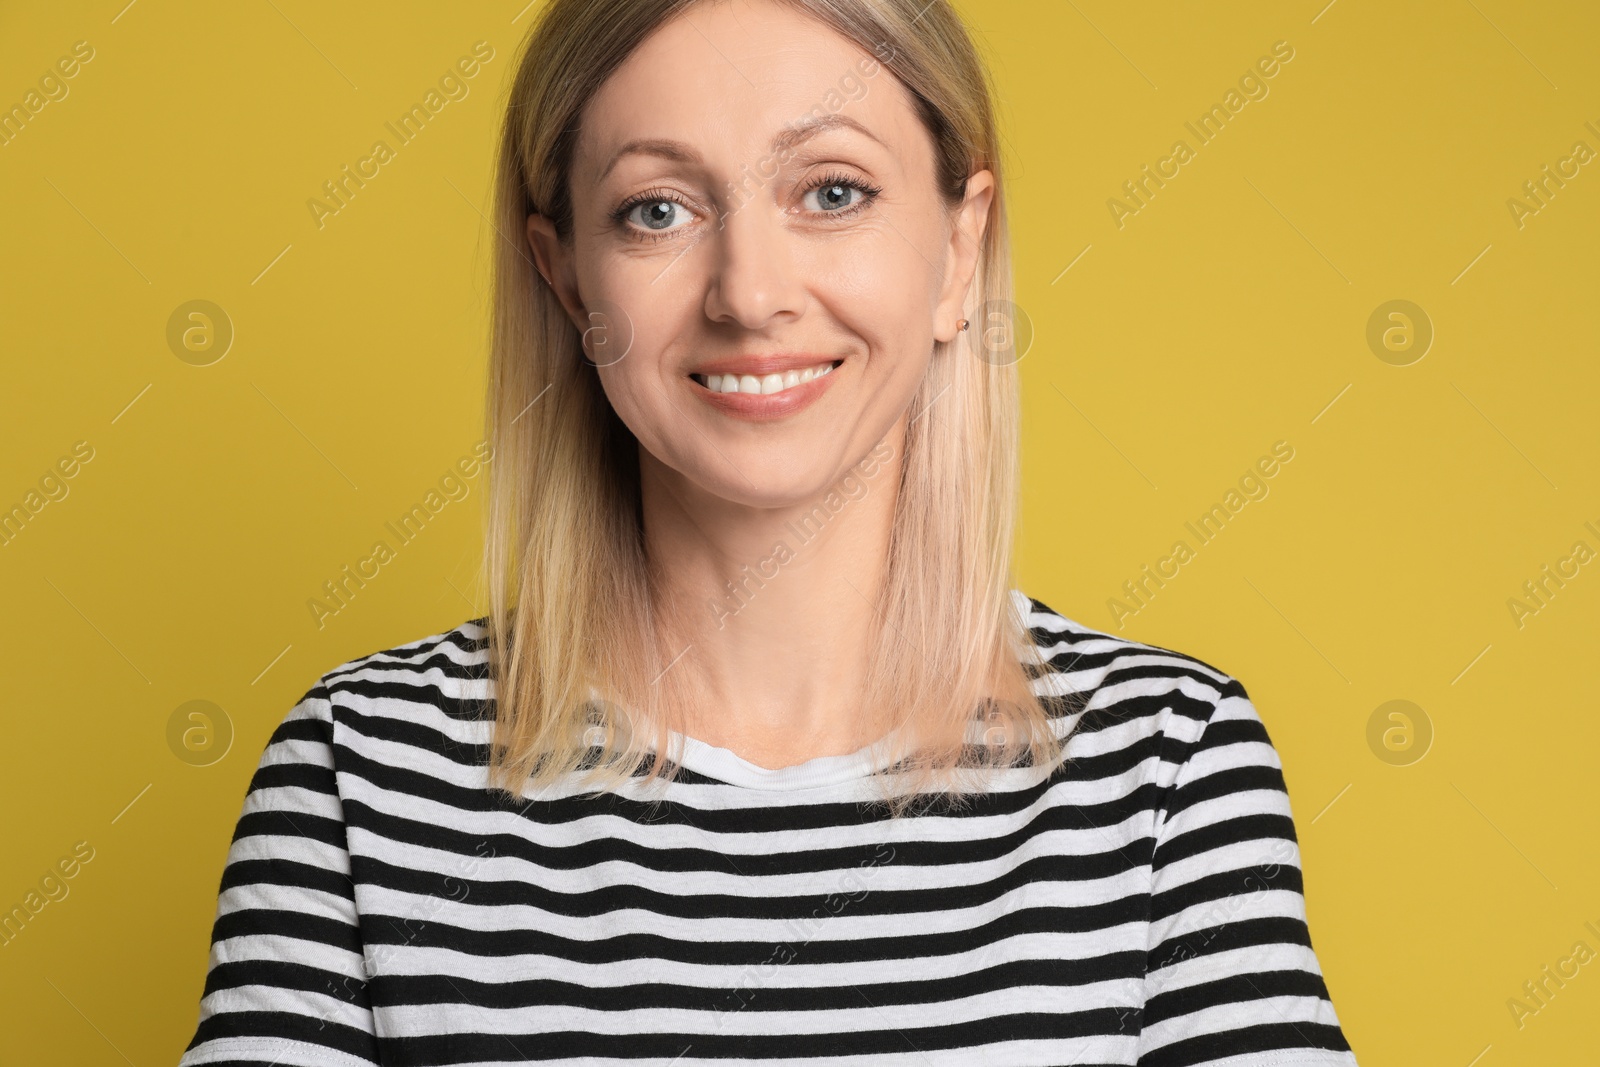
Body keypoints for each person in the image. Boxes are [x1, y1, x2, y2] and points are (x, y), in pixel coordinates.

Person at [178, 0, 1359, 1063]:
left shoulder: (1164, 768)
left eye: (832, 192)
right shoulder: (363, 774)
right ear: (564, 281)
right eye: (657, 210)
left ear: (959, 248)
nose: (749, 291)